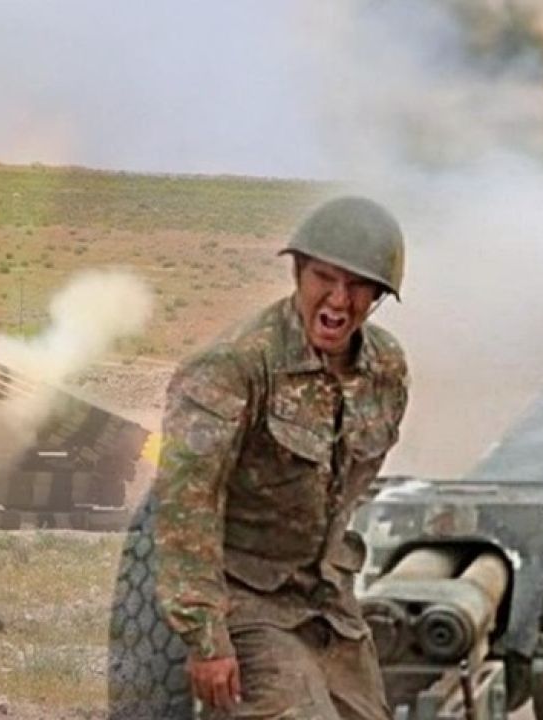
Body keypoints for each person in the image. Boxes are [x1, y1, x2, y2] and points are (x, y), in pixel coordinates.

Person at [152, 196, 409, 719]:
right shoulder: (232, 368)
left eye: (358, 286)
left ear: (379, 296)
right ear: (297, 272)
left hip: (326, 601)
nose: (338, 300)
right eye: (324, 278)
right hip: (244, 598)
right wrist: (207, 637)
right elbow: (185, 507)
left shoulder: (384, 370)